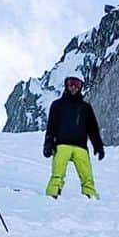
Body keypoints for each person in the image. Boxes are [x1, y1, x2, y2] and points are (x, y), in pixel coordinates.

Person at [44, 71, 105, 199]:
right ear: (66, 84)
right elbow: (51, 127)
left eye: (77, 84)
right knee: (57, 173)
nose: (73, 87)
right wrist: (49, 144)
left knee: (87, 176)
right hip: (62, 145)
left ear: (81, 87)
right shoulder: (57, 105)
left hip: (80, 147)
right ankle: (52, 196)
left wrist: (98, 146)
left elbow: (93, 128)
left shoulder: (85, 107)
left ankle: (91, 197)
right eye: (71, 83)